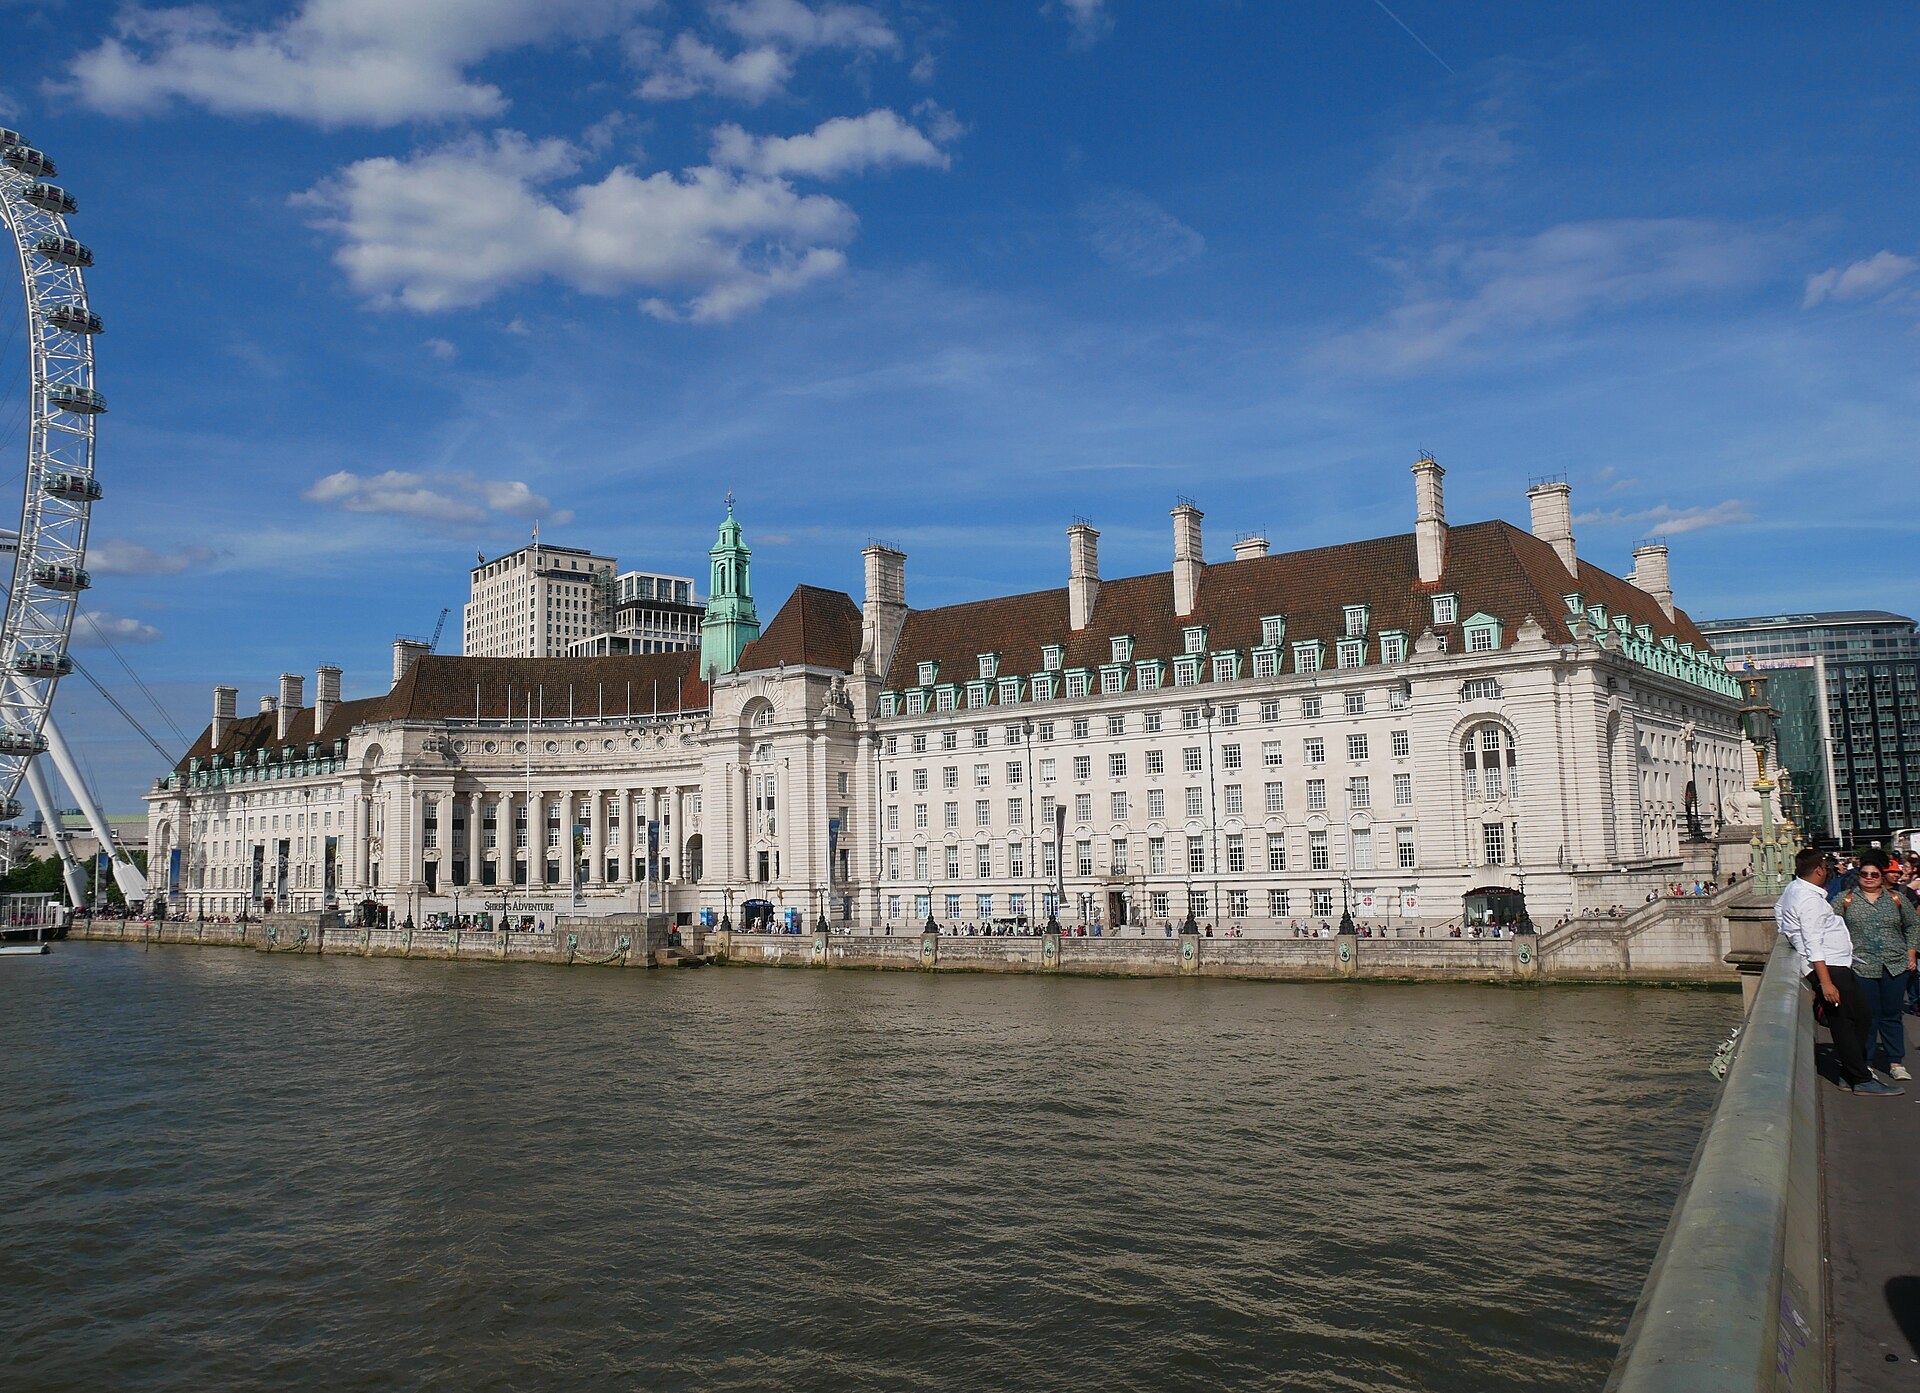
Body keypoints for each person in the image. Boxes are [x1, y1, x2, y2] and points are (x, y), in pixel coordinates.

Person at [1779, 846, 1901, 1094]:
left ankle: (1850, 1072)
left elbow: (1779, 911)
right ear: (1819, 870)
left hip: (1835, 963)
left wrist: (1792, 936)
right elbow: (1813, 942)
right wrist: (1825, 982)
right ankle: (1859, 1077)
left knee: (1853, 1018)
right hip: (1830, 966)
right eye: (1824, 867)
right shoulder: (1809, 900)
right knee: (1852, 1020)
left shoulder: (1795, 889)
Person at [1835, 848, 1919, 1080]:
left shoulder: (1896, 899)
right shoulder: (1846, 900)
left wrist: (1911, 952)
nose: (1869, 878)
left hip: (1895, 964)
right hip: (1862, 966)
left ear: (1882, 876)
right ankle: (1867, 1061)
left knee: (1892, 1015)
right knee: (1867, 1016)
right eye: (1865, 874)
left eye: (1874, 874)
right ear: (1858, 875)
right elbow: (1830, 927)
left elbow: (1913, 925)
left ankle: (1895, 1062)